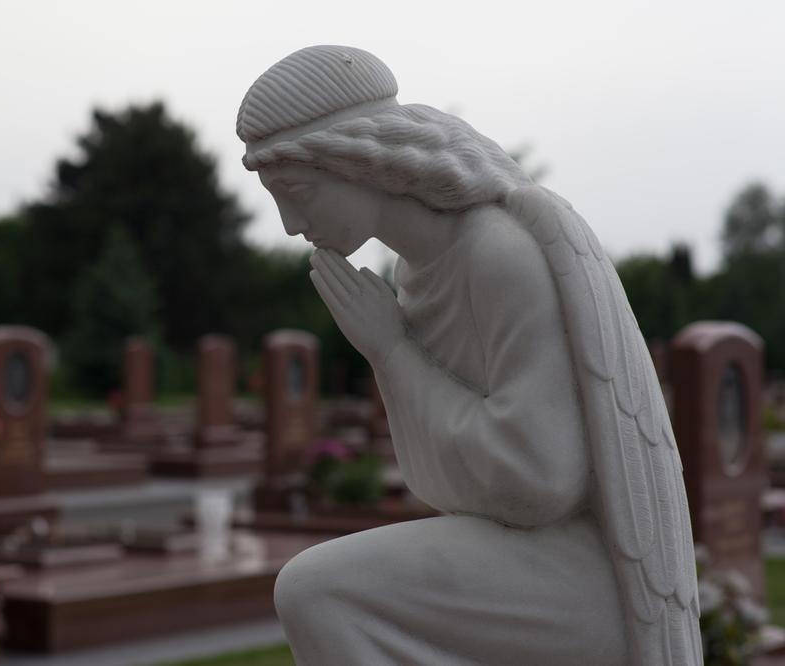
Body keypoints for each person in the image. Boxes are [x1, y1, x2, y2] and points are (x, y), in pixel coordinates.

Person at [238, 45, 701, 665]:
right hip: (525, 558)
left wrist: (391, 351)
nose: (290, 224)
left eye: (297, 191)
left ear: (359, 162)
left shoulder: (498, 253)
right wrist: (392, 352)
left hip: (586, 582)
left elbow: (539, 480)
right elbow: (467, 494)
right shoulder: (413, 272)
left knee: (316, 590)